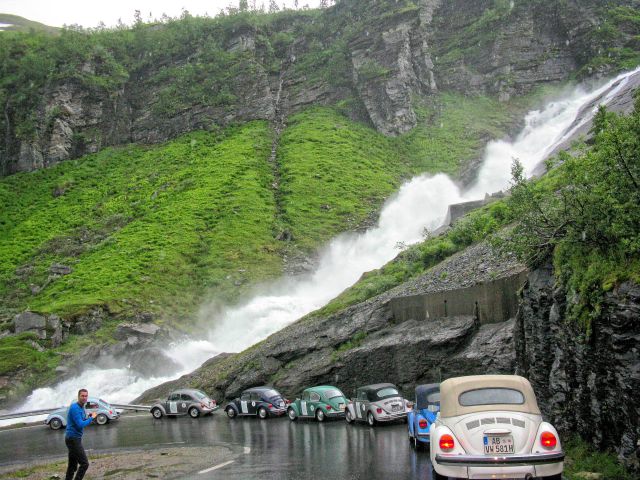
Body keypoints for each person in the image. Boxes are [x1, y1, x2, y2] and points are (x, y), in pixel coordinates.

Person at [65, 388, 96, 480]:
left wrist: (88, 417)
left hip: (73, 438)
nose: (84, 398)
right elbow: (80, 424)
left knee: (72, 465)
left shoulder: (81, 407)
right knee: (84, 464)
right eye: (82, 396)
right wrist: (92, 418)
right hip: (73, 439)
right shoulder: (75, 408)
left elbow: (82, 419)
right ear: (78, 396)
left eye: (86, 396)